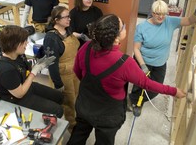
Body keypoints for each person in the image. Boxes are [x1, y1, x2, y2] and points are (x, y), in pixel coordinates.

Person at [67, 14, 186, 145]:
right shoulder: (125, 63)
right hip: (108, 116)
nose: (125, 27)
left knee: (78, 135)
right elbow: (147, 84)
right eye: (123, 26)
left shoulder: (87, 47)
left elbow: (77, 72)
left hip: (84, 106)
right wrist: (173, 91)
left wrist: (92, 87)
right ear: (116, 37)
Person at [129, 0, 196, 116]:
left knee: (155, 89)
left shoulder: (169, 22)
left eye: (164, 13)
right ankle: (134, 102)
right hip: (143, 61)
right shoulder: (142, 27)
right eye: (158, 13)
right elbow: (136, 48)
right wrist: (143, 66)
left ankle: (141, 98)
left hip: (160, 63)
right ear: (152, 13)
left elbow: (188, 21)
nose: (161, 17)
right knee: (140, 85)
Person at [0, 25, 64, 118]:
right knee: (57, 110)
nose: (27, 44)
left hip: (26, 85)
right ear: (14, 45)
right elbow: (20, 94)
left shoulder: (18, 55)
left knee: (59, 96)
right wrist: (33, 73)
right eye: (24, 42)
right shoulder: (5, 69)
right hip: (16, 98)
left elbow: (25, 70)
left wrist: (37, 65)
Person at [43, 6, 80, 132]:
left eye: (69, 16)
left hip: (75, 71)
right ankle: (72, 126)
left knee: (76, 97)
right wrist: (58, 83)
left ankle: (77, 119)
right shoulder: (51, 38)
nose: (69, 19)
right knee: (68, 102)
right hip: (63, 75)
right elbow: (51, 63)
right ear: (56, 20)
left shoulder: (68, 30)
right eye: (66, 17)